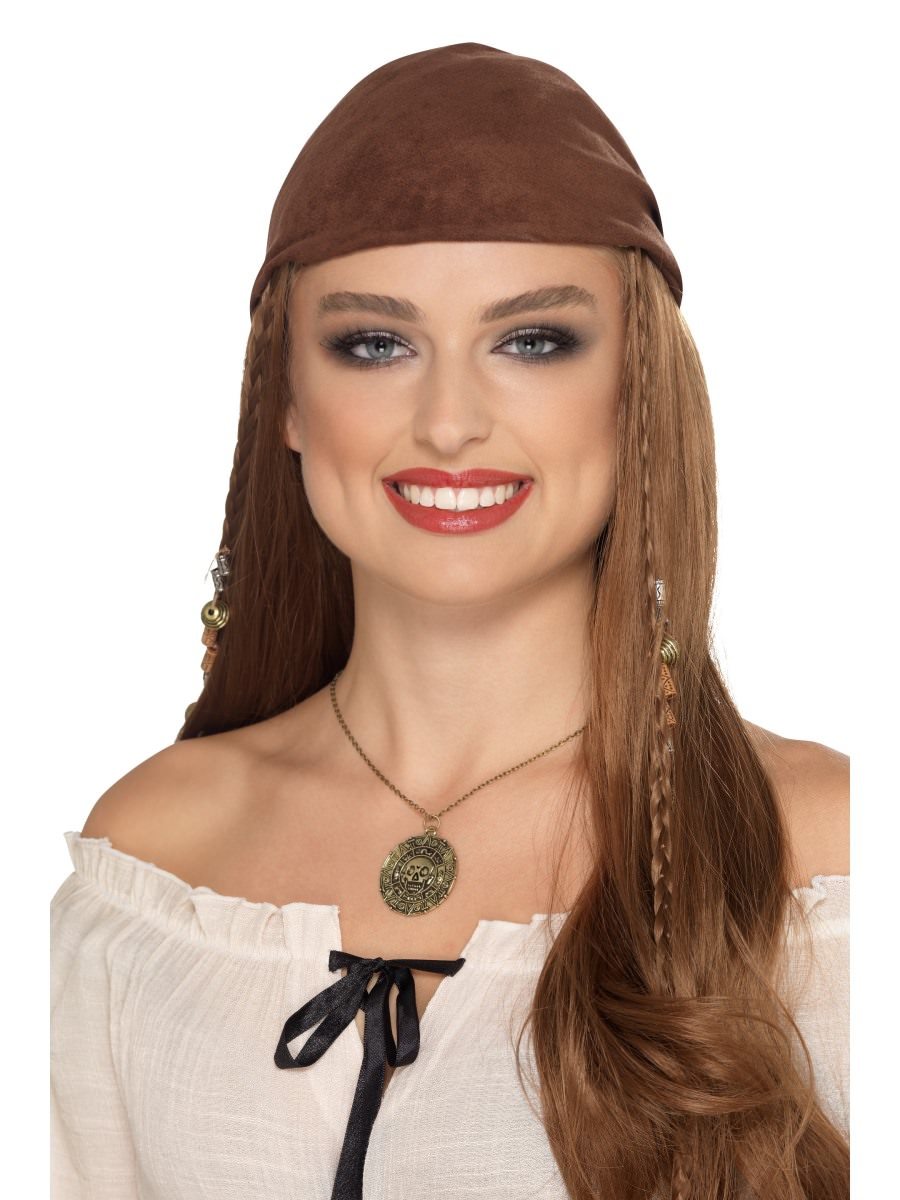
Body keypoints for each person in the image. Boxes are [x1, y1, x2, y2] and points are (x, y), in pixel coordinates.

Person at [50, 41, 849, 1200]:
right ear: (287, 398)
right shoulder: (156, 864)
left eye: (533, 341)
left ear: (637, 391)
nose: (448, 421)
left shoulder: (828, 862)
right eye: (375, 344)